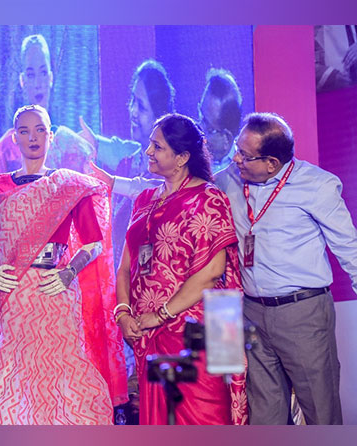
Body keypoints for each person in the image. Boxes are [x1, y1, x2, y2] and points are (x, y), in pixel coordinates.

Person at [0, 105, 127, 424]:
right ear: (14, 138)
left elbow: (93, 243)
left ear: (51, 135)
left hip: (54, 292)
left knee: (63, 375)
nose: (33, 137)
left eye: (40, 130)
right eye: (25, 131)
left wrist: (69, 272)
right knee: (12, 377)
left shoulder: (68, 187)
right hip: (13, 296)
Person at [215, 112, 357, 425]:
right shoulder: (229, 178)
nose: (236, 159)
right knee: (265, 416)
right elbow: (187, 192)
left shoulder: (317, 186)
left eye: (245, 155)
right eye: (237, 150)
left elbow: (350, 248)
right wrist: (121, 185)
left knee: (320, 410)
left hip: (303, 313)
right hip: (251, 312)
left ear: (272, 163)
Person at [115, 113, 247, 425]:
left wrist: (160, 314)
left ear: (182, 157)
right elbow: (125, 267)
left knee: (203, 420)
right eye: (150, 144)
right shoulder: (144, 200)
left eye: (157, 147)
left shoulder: (209, 199)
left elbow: (212, 272)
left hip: (195, 336)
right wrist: (122, 313)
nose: (148, 151)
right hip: (148, 335)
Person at [85, 60, 176, 266]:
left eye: (141, 107)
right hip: (120, 276)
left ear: (159, 116)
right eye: (133, 101)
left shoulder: (170, 173)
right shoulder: (127, 164)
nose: (133, 111)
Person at [0, 34, 95, 175]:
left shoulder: (71, 144)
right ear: (22, 81)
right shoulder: (8, 145)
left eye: (43, 73)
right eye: (31, 75)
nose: (38, 84)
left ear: (51, 78)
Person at [198, 68, 242, 173]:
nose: (200, 128)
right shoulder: (187, 159)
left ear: (227, 138)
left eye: (209, 128)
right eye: (201, 116)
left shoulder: (243, 171)